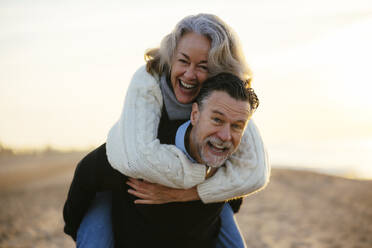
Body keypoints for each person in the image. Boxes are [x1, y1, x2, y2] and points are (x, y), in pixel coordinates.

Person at [63, 13, 270, 247]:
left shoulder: (225, 103)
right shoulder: (147, 86)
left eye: (203, 66)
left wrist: (194, 192)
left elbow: (255, 172)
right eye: (183, 61)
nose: (190, 74)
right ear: (171, 58)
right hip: (116, 182)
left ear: (219, 73)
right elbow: (125, 162)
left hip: (204, 193)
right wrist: (204, 174)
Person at [112, 73, 260, 247]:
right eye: (217, 120)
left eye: (237, 126)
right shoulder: (145, 148)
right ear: (195, 115)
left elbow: (238, 193)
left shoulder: (232, 159)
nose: (225, 136)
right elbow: (92, 170)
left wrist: (190, 194)